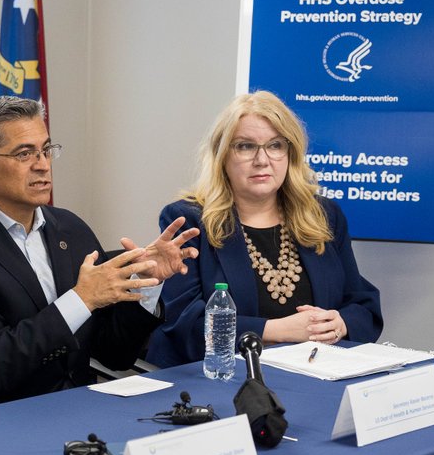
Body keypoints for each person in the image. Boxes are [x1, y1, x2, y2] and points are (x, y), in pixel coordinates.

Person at [0, 96, 199, 413]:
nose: (43, 164)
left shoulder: (70, 229)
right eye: (25, 154)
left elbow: (114, 355)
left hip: (76, 408)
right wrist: (82, 299)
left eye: (46, 150)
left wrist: (143, 284)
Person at [145, 90, 383, 367]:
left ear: (290, 154)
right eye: (245, 146)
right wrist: (277, 331)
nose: (262, 159)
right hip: (223, 379)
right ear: (222, 156)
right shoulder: (188, 221)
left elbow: (363, 303)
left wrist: (340, 324)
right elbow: (185, 326)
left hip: (316, 373)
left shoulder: (324, 215)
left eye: (275, 145)